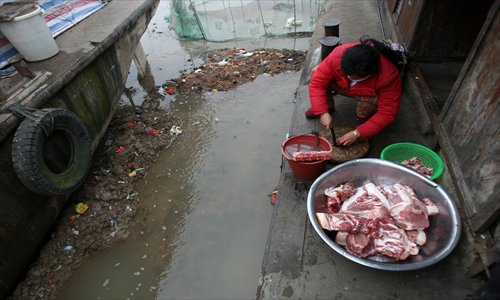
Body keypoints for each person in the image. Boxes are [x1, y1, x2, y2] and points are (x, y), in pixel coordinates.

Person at [306, 36, 403, 146]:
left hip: (367, 94)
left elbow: (387, 112)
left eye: (353, 76)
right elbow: (317, 84)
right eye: (346, 72)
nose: (348, 77)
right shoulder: (339, 54)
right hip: (343, 86)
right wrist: (322, 111)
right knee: (316, 72)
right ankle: (327, 106)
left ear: (370, 73)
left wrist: (358, 133)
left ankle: (364, 115)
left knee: (364, 114)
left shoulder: (388, 75)